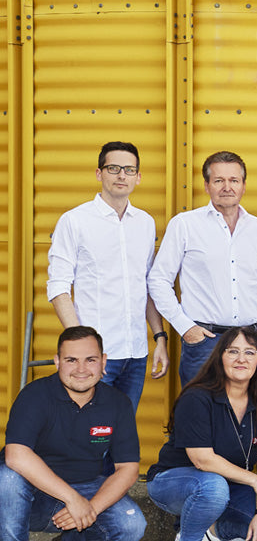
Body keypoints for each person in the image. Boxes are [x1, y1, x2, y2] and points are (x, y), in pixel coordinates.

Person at [0, 327, 146, 541]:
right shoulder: (35, 395)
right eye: (71, 360)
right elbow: (16, 456)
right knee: (7, 477)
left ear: (104, 362)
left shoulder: (117, 403)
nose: (81, 369)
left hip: (86, 486)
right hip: (29, 497)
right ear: (57, 362)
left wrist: (91, 507)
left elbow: (127, 468)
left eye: (90, 360)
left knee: (132, 525)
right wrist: (73, 499)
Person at [146, 327, 257, 541]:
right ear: (219, 357)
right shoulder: (197, 397)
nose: (241, 359)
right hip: (174, 482)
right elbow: (202, 460)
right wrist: (256, 482)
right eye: (233, 351)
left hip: (230, 487)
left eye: (250, 352)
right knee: (212, 486)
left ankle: (213, 534)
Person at [47, 141, 168, 410]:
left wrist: (159, 338)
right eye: (113, 168)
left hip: (136, 354)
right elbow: (58, 287)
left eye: (129, 169)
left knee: (121, 437)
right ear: (99, 173)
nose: (121, 175)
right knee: (88, 439)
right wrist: (82, 349)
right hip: (95, 355)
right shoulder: (75, 221)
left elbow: (145, 286)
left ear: (138, 177)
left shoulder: (145, 223)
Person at [148, 150, 257, 384]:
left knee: (245, 416)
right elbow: (158, 280)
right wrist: (185, 327)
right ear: (207, 186)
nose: (227, 187)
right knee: (199, 415)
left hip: (250, 343)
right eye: (219, 180)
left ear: (243, 185)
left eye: (234, 180)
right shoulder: (185, 225)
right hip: (204, 343)